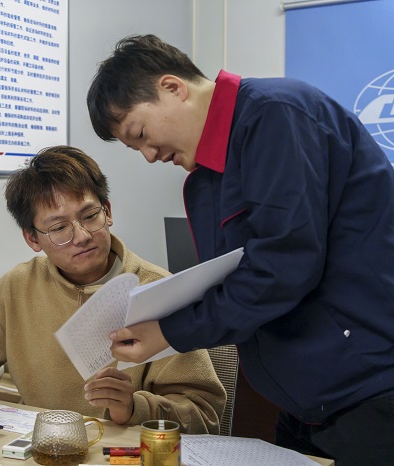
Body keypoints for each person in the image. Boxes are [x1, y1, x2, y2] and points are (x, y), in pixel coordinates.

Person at [87, 34, 394, 465]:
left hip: (366, 393)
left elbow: (282, 267)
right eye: (135, 148)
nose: (150, 156)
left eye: (141, 134)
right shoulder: (210, 175)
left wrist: (170, 332)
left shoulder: (276, 116)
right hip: (306, 403)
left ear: (172, 87)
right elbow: (234, 278)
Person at [0, 145, 226, 433]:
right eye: (59, 228)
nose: (82, 236)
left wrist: (134, 407)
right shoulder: (18, 288)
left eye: (90, 216)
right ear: (32, 238)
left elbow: (205, 414)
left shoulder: (159, 291)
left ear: (108, 211)